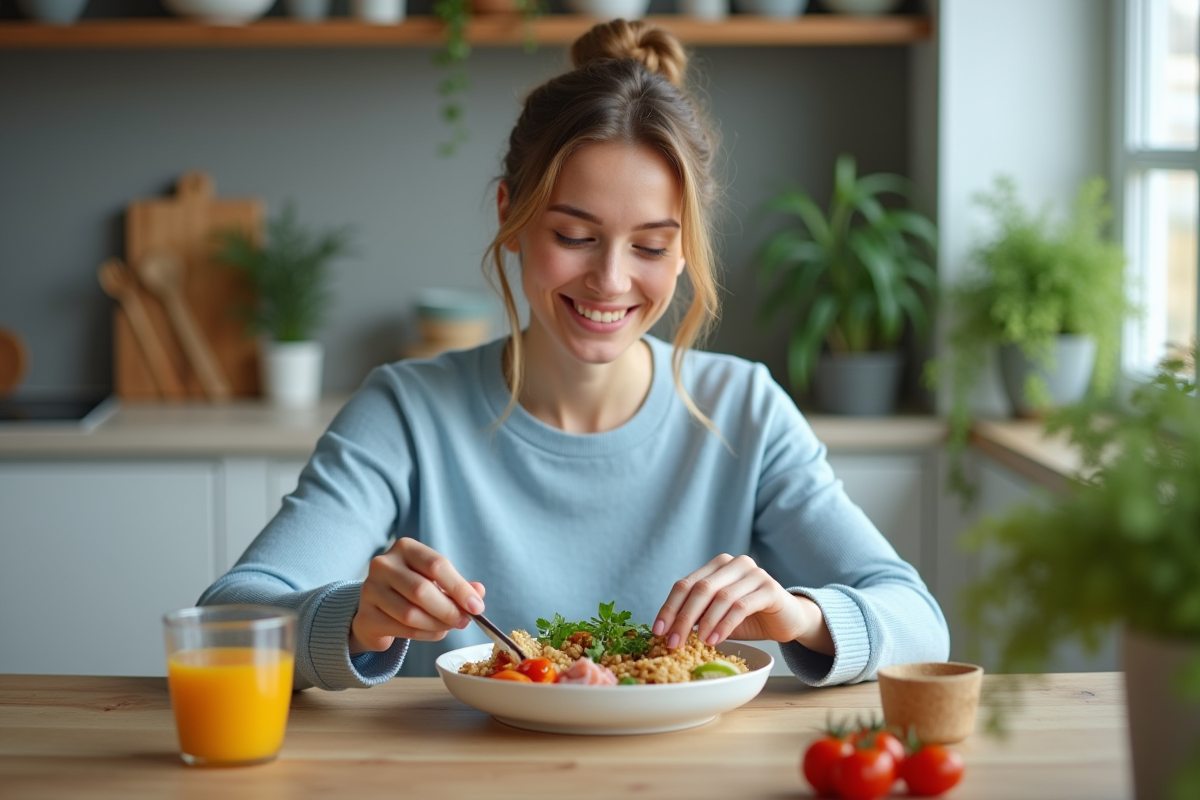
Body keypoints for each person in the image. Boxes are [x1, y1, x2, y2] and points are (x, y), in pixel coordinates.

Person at [199, 19, 949, 690]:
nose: (612, 280)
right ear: (511, 216)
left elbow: (918, 620)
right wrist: (357, 619)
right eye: (574, 236)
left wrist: (799, 615)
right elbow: (227, 620)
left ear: (684, 247)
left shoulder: (745, 410)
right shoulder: (405, 411)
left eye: (651, 245)